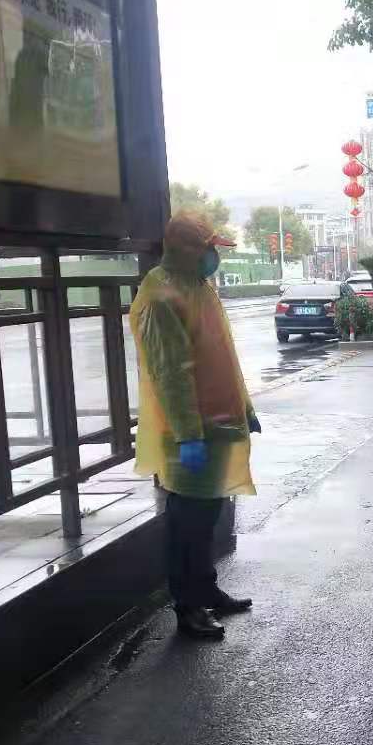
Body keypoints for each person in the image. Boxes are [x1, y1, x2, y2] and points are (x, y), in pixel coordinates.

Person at [130, 213, 260, 640]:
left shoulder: (198, 287)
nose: (214, 257)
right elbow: (170, 374)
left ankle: (206, 589)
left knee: (206, 517)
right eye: (209, 248)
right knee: (186, 523)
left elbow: (223, 357)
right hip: (190, 432)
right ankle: (187, 607)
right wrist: (188, 436)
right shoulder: (161, 296)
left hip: (219, 424)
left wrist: (245, 407)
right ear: (188, 250)